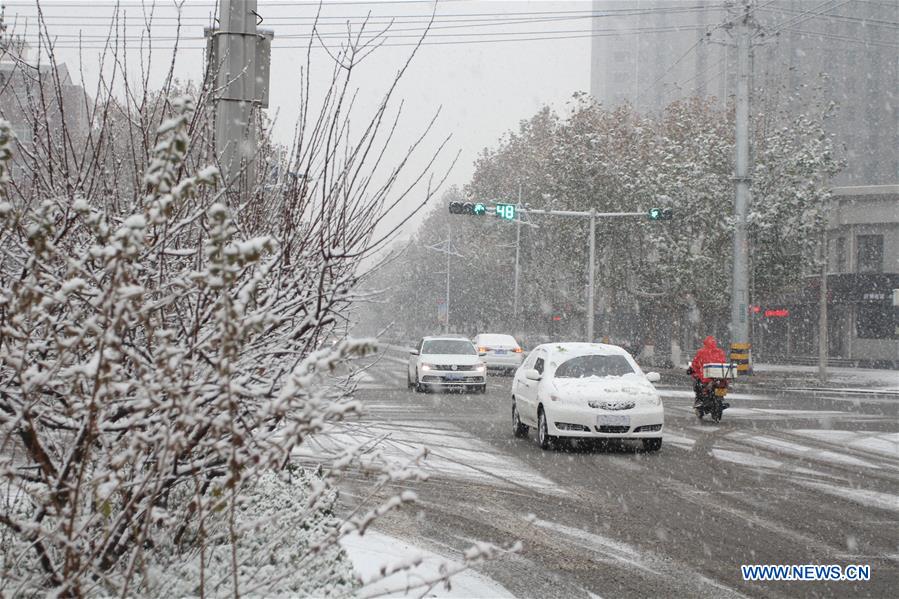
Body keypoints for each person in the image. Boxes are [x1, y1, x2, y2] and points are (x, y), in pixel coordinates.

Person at [687, 336, 726, 407]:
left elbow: (695, 364)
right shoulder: (720, 352)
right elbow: (723, 363)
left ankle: (699, 400)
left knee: (697, 384)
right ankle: (720, 398)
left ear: (705, 343)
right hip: (720, 376)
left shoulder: (701, 352)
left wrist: (692, 370)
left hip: (705, 378)